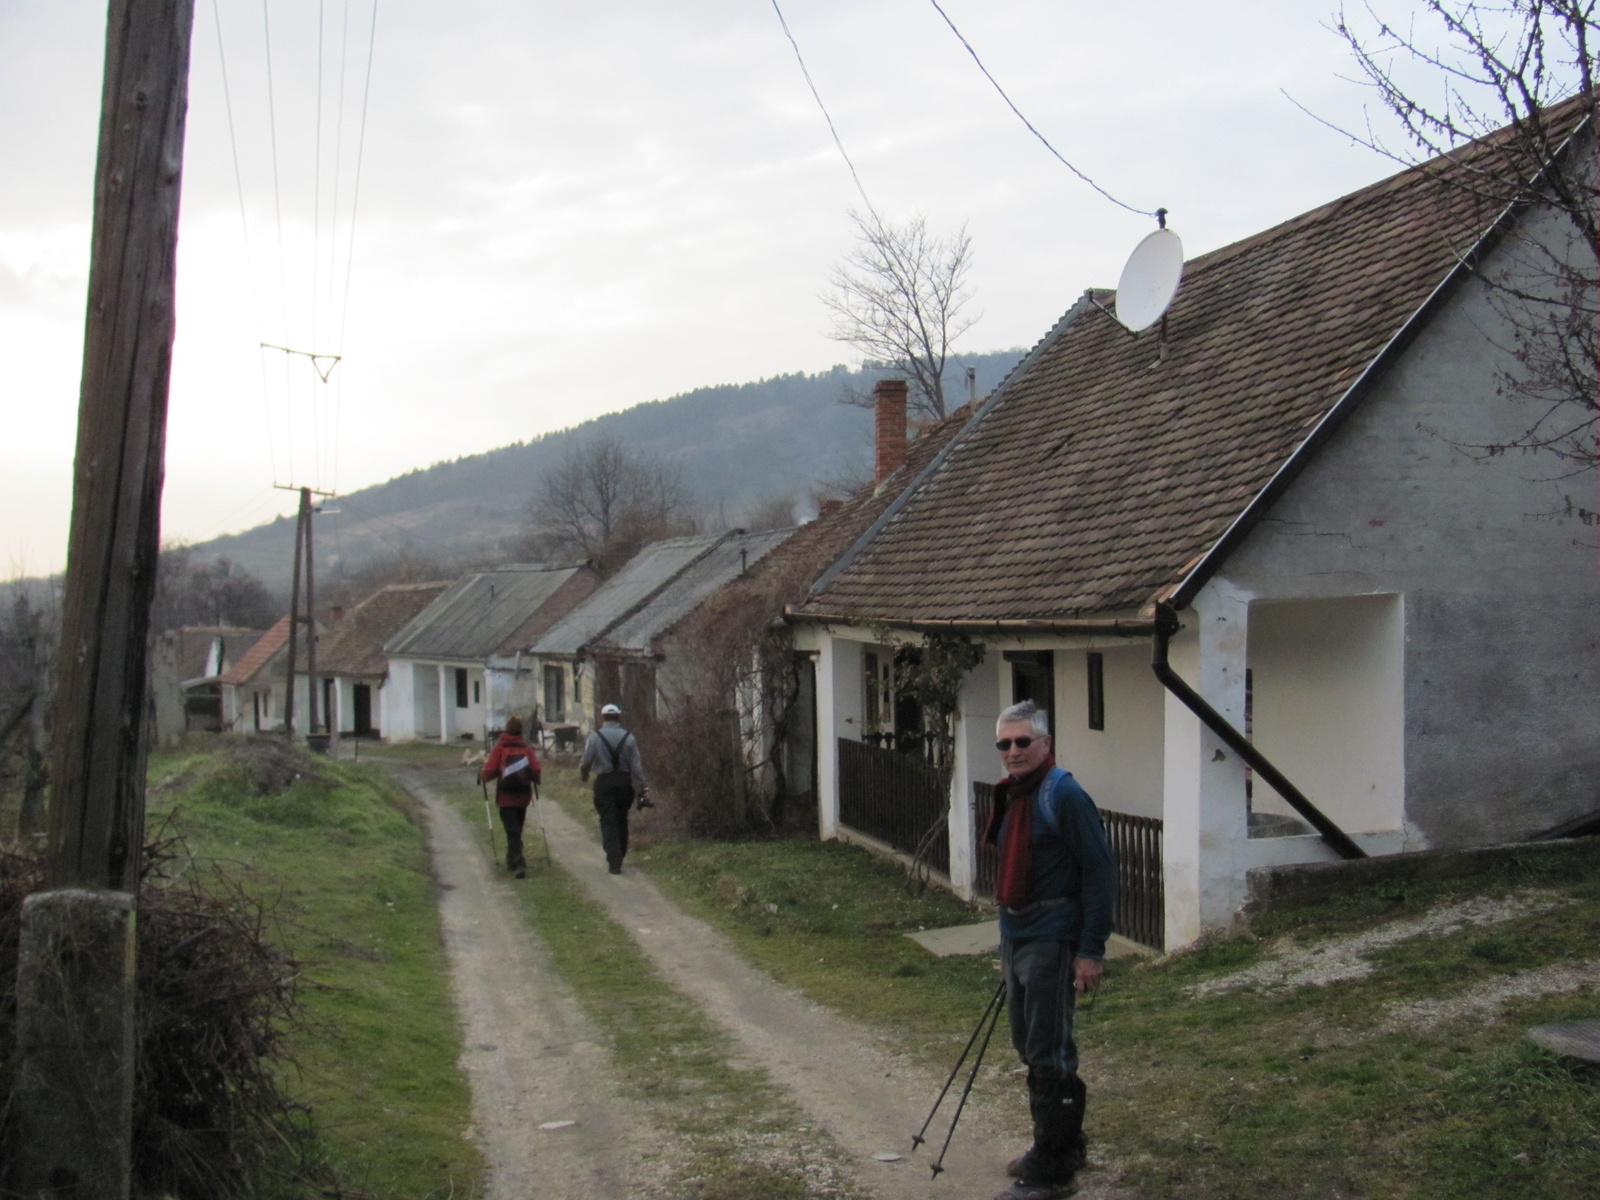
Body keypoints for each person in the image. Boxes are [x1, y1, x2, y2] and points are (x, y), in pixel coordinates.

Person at [982, 700, 1117, 1200]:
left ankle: (1053, 1169)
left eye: (1022, 742)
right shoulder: (1015, 794)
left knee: (1049, 1050)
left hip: (1053, 936)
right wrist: (1007, 942)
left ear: (1045, 744)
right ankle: (1063, 1143)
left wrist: (1090, 951)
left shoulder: (1064, 795)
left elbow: (1099, 875)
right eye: (1005, 743)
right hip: (1017, 936)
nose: (1013, 751)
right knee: (1027, 1043)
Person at [579, 703, 649, 874]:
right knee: (621, 819)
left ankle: (614, 858)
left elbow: (586, 761)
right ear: (618, 717)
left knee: (608, 820)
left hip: (604, 783)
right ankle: (621, 853)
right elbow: (636, 766)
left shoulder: (595, 737)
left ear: (603, 717)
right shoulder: (629, 737)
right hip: (624, 783)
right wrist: (643, 786)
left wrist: (584, 774)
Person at [480, 716, 542, 878]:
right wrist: (535, 779)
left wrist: (483, 775)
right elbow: (536, 769)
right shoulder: (526, 748)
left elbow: (490, 770)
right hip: (523, 795)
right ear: (520, 730)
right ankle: (513, 858)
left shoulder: (500, 748)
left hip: (505, 796)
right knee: (517, 828)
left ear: (506, 730)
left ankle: (517, 859)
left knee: (511, 829)